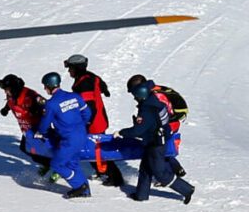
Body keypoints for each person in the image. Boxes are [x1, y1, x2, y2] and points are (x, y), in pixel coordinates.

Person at [116, 79, 195, 204]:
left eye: (135, 95)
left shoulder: (147, 108)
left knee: (161, 173)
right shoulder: (155, 100)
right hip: (155, 139)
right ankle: (141, 195)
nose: (134, 98)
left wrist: (121, 132)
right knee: (145, 169)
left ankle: (186, 189)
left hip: (156, 143)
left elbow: (138, 130)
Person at [64, 54, 125, 187]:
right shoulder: (89, 76)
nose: (68, 71)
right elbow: (101, 83)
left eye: (70, 68)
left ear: (77, 68)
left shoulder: (84, 83)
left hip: (94, 123)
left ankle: (115, 178)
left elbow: (89, 107)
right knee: (94, 150)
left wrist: (85, 124)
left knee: (95, 151)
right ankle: (102, 172)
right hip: (99, 119)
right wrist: (105, 90)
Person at [35, 72, 93, 199]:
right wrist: (79, 127)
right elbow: (87, 113)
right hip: (82, 135)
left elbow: (44, 125)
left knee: (57, 164)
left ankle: (79, 187)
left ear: (49, 86)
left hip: (69, 140)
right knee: (72, 163)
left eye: (45, 86)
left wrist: (42, 133)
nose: (44, 89)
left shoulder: (51, 104)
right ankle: (85, 190)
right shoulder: (74, 96)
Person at [126, 74, 187, 178]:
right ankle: (176, 169)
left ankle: (169, 173)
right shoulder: (151, 91)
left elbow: (161, 115)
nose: (134, 97)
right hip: (169, 122)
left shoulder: (156, 96)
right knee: (161, 147)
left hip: (171, 123)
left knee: (158, 148)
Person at [0, 74, 51, 172]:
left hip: (40, 129)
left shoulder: (30, 96)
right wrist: (5, 109)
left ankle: (60, 167)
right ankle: (47, 164)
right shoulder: (11, 95)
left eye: (7, 89)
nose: (5, 92)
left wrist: (38, 111)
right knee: (26, 148)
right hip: (27, 130)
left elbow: (48, 107)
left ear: (14, 88)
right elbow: (10, 102)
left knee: (47, 148)